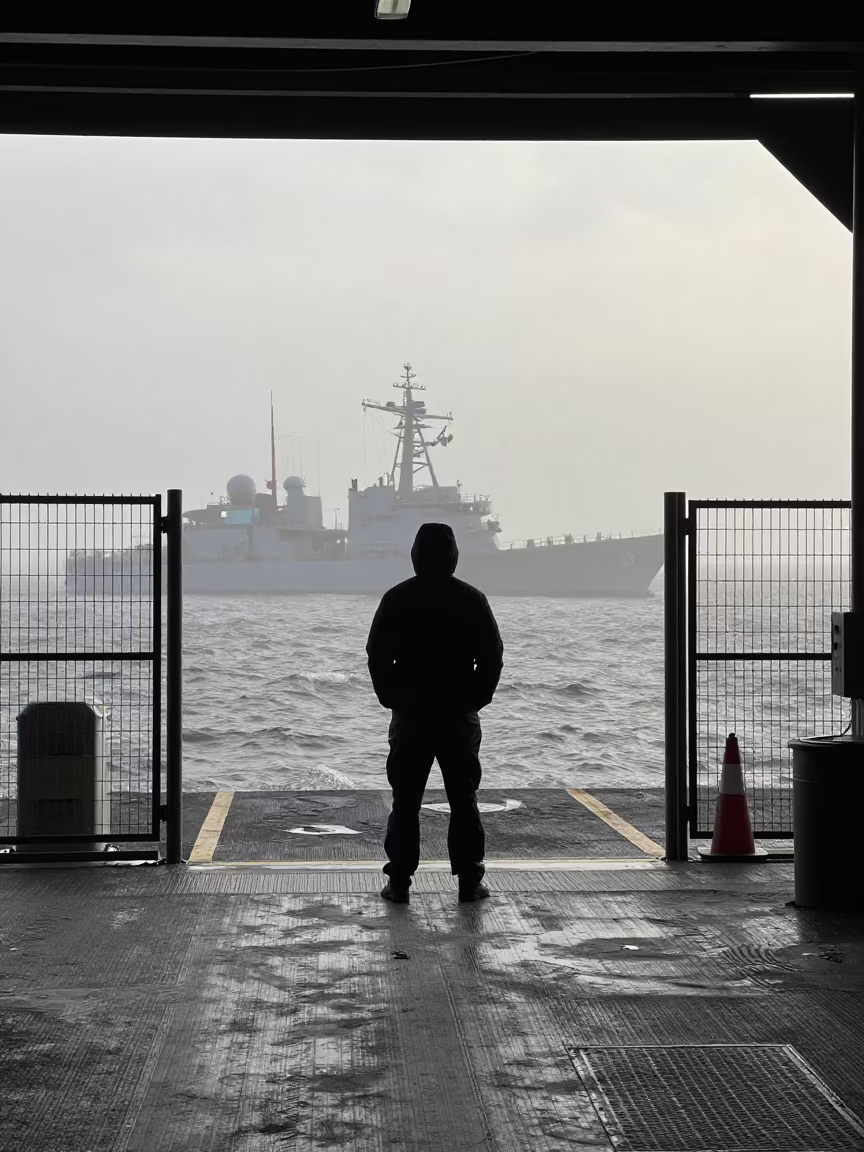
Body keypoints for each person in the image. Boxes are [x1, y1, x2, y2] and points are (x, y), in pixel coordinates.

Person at [366, 522, 504, 904]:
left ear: (415, 555)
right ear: (453, 556)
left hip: (410, 716)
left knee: (405, 802)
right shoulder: (472, 599)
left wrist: (390, 697)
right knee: (464, 800)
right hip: (458, 716)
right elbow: (492, 657)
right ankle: (468, 883)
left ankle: (399, 883)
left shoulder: (396, 598)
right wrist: (476, 700)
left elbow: (377, 655)